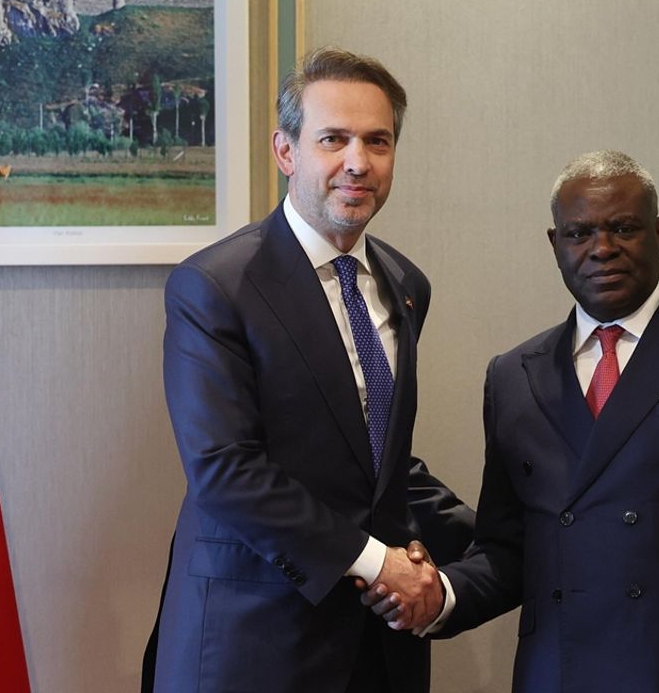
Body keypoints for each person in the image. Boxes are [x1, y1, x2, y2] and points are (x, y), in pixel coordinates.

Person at [366, 150, 659, 691]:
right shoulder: (514, 375)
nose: (602, 248)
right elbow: (509, 550)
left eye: (623, 228)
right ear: (555, 245)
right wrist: (440, 594)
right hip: (559, 673)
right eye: (579, 233)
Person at [150, 47, 473, 693]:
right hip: (253, 646)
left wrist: (502, 536)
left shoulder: (406, 284)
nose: (358, 161)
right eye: (334, 139)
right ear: (286, 152)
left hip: (380, 649)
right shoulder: (214, 286)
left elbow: (377, 463)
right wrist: (379, 562)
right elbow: (225, 470)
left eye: (377, 141)